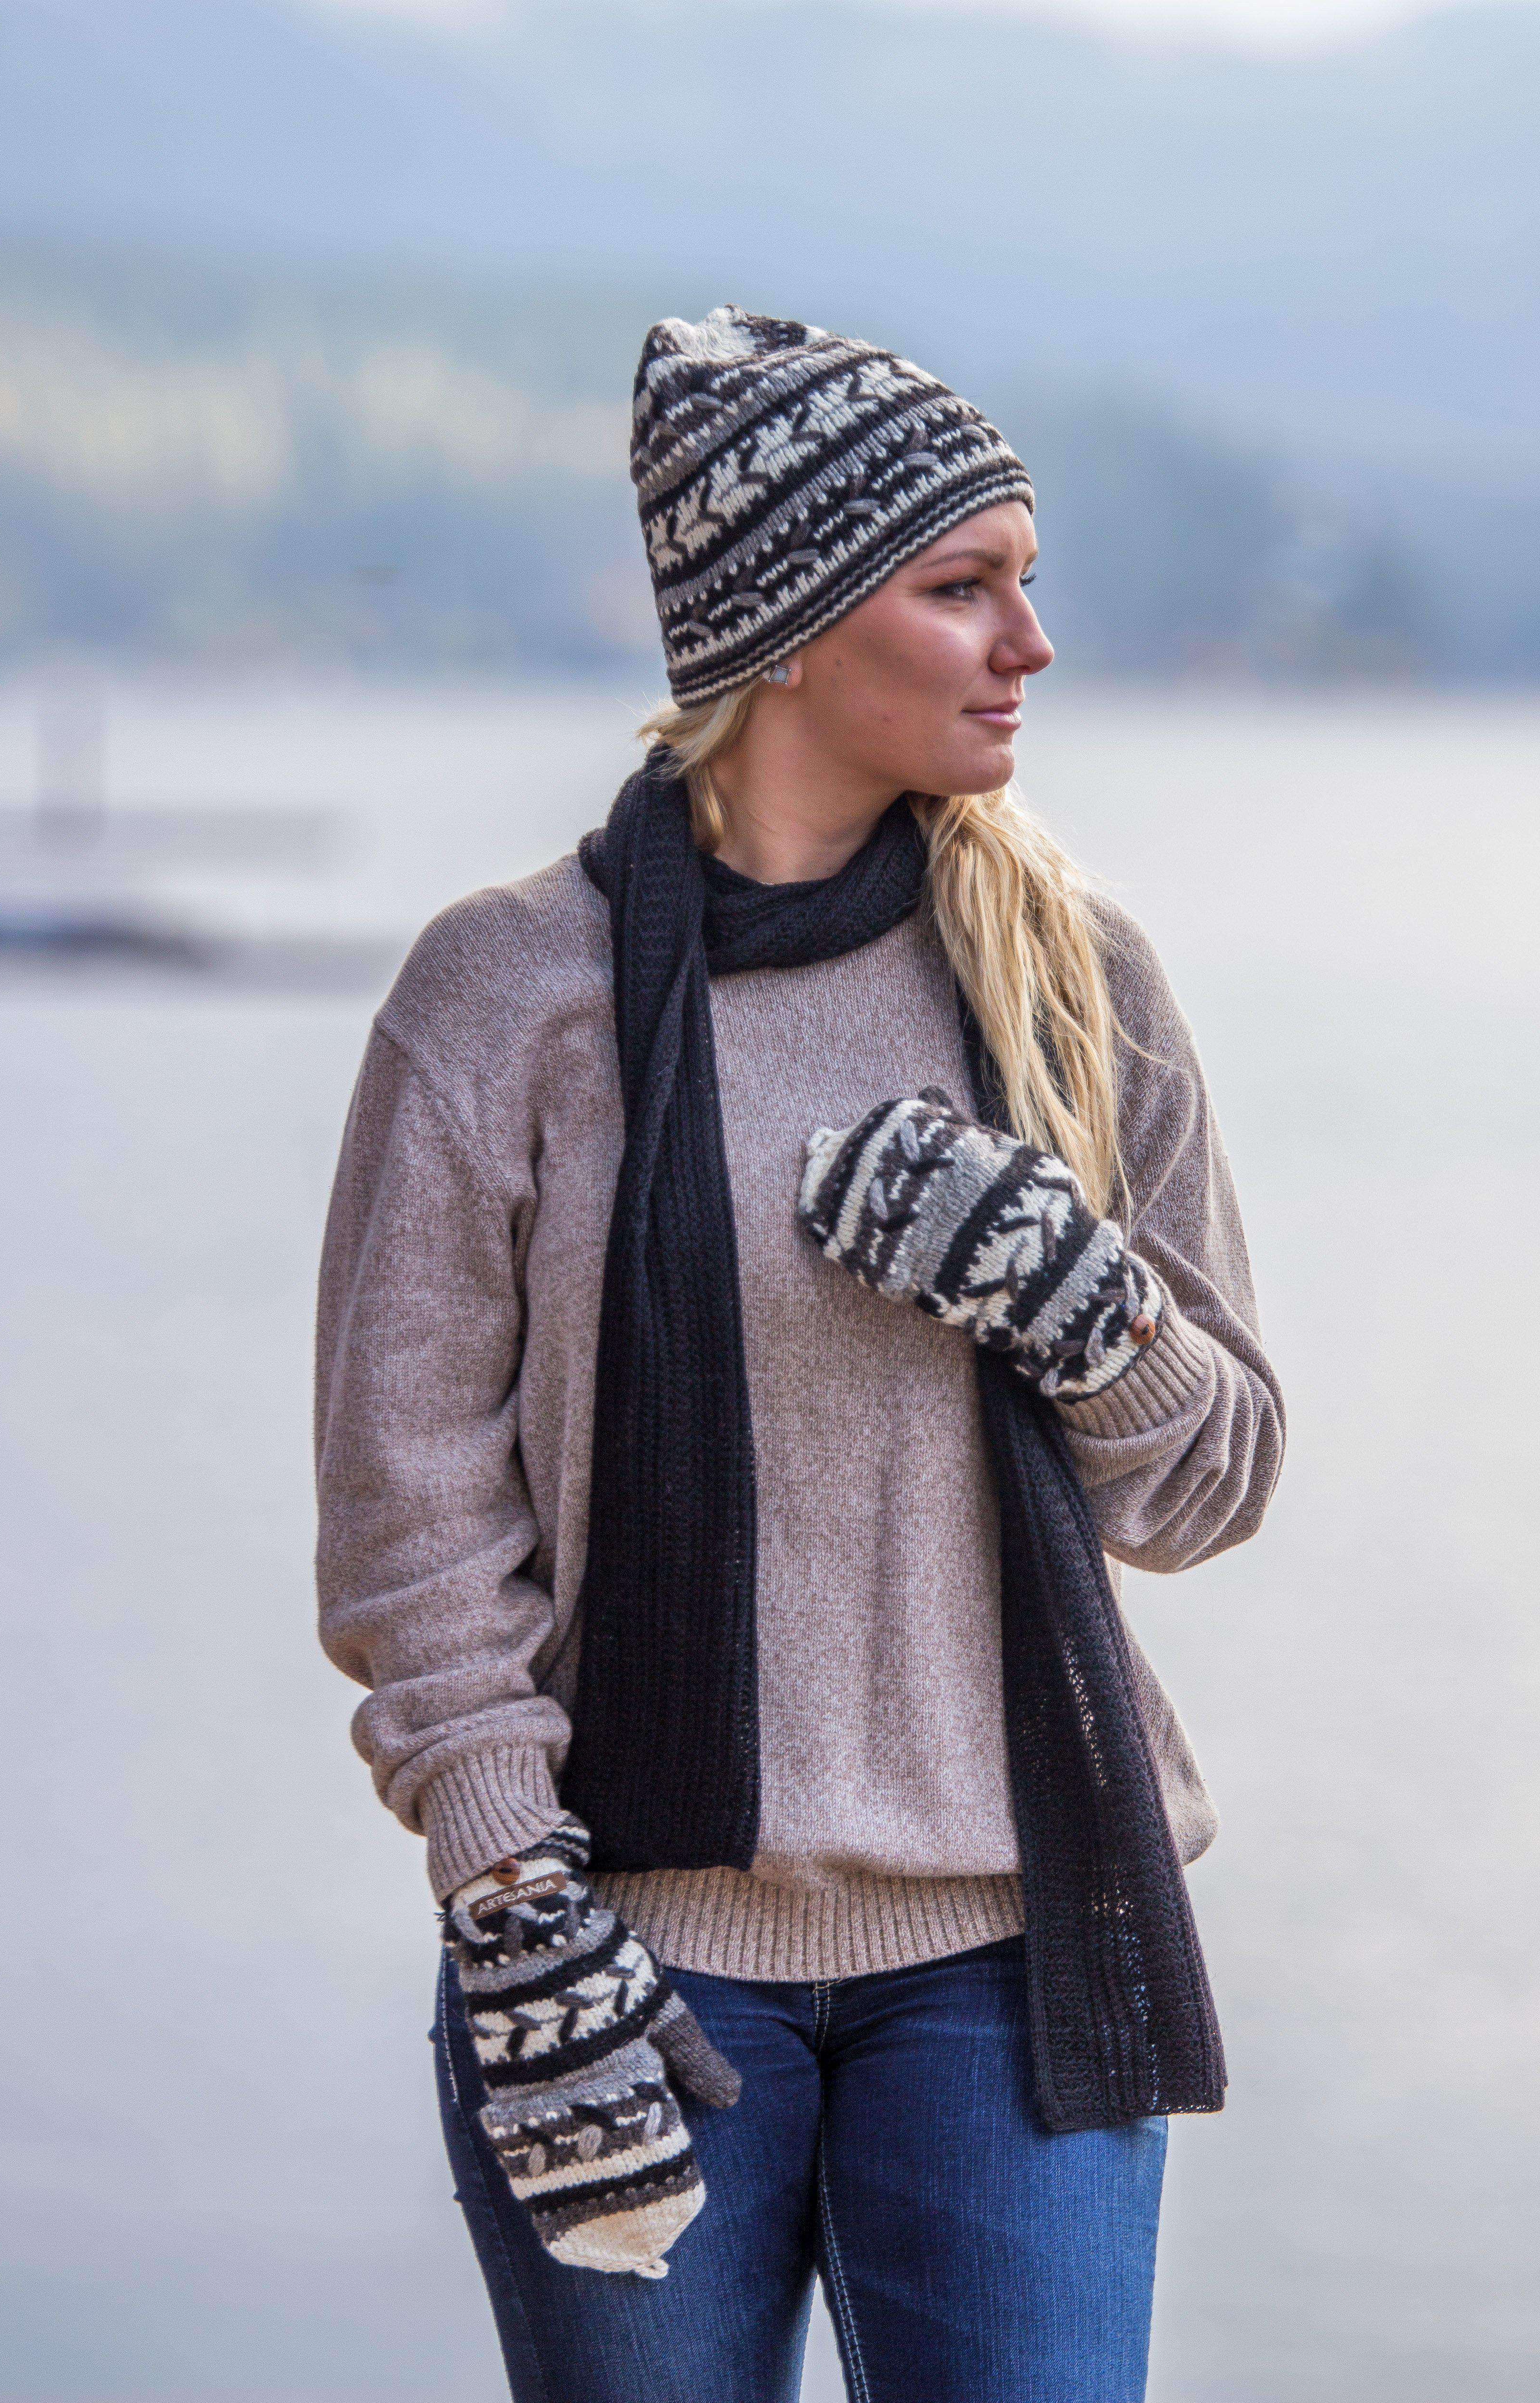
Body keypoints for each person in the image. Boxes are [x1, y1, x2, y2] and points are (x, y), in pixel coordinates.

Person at [314, 305, 1285, 2403]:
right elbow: (409, 1519)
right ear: (790, 627)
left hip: (1017, 1955)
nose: (1031, 642)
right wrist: (513, 1903)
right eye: (965, 588)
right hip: (626, 1966)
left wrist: (1091, 1313)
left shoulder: (1073, 978)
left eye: (1026, 578)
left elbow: (1211, 1485)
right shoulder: (506, 997)